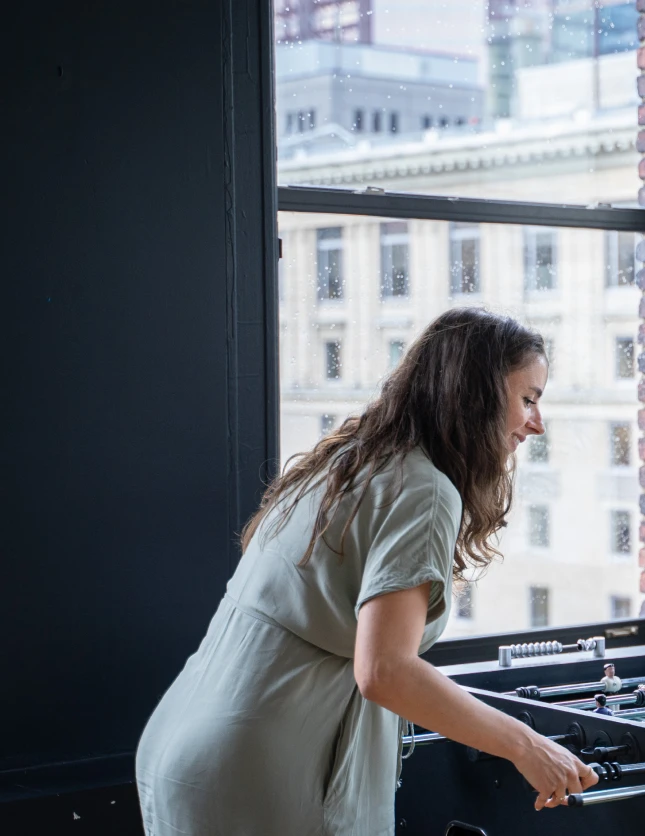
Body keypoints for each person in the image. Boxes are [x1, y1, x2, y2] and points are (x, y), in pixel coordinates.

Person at [135, 309, 597, 834]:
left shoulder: (349, 463)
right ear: (477, 396)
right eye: (528, 399)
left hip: (186, 744)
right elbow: (386, 671)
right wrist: (526, 745)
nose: (537, 422)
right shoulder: (423, 490)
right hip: (264, 771)